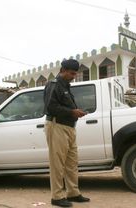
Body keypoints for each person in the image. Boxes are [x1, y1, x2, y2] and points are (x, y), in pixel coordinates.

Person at [43, 59, 90, 207]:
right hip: (57, 126)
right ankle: (56, 197)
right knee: (57, 164)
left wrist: (75, 112)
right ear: (63, 70)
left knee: (71, 163)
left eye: (75, 73)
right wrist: (72, 112)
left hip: (69, 128)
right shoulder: (53, 85)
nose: (74, 76)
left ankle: (73, 193)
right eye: (71, 73)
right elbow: (50, 107)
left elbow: (63, 105)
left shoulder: (66, 86)